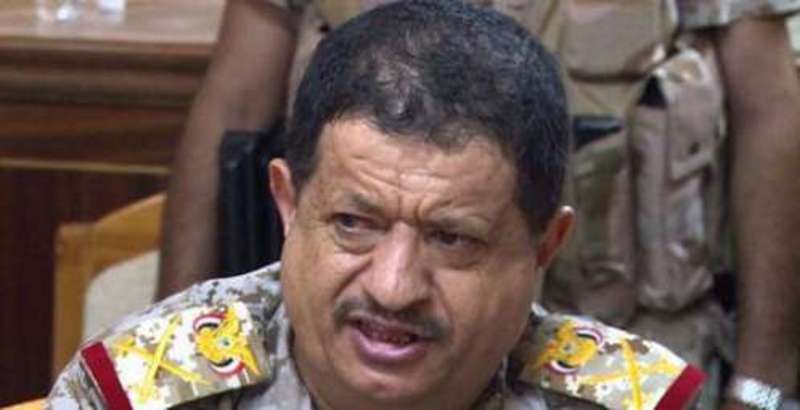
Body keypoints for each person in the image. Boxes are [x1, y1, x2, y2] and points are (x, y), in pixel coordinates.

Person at [47, 2, 706, 409]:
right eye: (353, 224)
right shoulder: (138, 393)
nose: (393, 288)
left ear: (544, 246)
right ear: (288, 203)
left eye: (451, 238)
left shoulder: (636, 401)